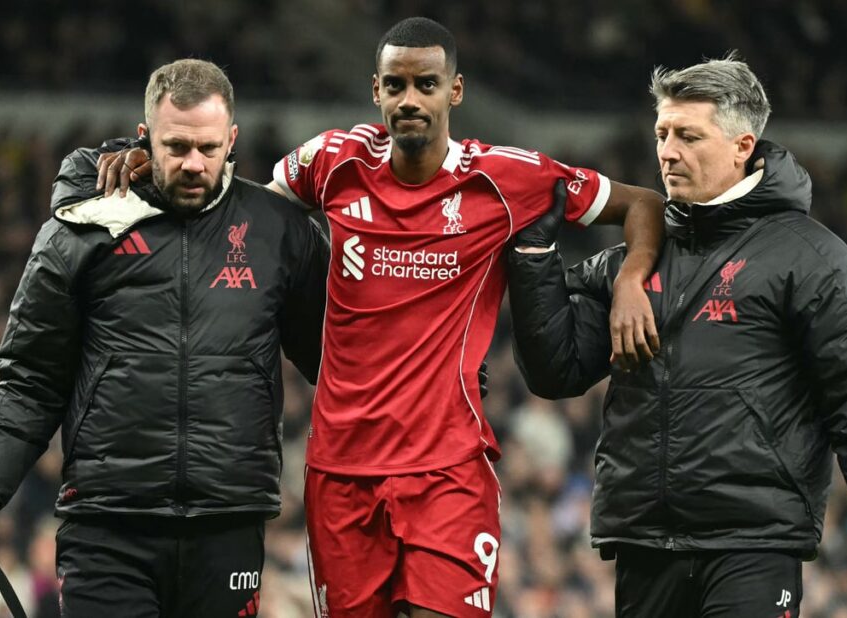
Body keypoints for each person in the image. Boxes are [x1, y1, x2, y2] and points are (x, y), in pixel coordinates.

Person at [94, 17, 665, 617]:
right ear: (376, 90)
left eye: (426, 84)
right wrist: (154, 163)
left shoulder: (505, 179)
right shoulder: (333, 162)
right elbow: (238, 212)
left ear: (456, 90)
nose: (410, 100)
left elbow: (643, 205)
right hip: (340, 473)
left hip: (448, 469)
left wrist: (630, 279)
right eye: (396, 85)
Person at [507, 53, 847, 617]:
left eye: (688, 136)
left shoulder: (811, 257)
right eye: (662, 133)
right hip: (644, 546)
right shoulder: (630, 262)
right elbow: (556, 371)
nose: (667, 152)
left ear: (742, 146)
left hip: (751, 549)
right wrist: (534, 255)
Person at [0, 59, 330, 617]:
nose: (194, 163)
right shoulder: (83, 227)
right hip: (105, 530)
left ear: (232, 139)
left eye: (208, 148)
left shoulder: (282, 231)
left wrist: (436, 368)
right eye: (176, 147)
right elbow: (31, 379)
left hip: (228, 528)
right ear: (143, 138)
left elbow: (339, 358)